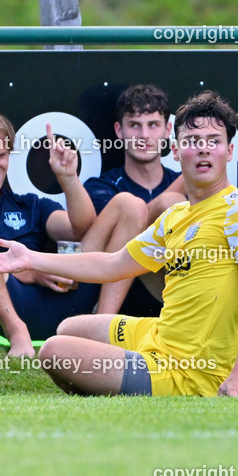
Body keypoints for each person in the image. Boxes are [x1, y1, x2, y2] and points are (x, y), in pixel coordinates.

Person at [0, 91, 238, 397]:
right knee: (70, 327)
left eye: (213, 141)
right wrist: (30, 259)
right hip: (160, 334)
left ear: (229, 151)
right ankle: (119, 376)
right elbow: (113, 263)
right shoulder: (176, 215)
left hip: (190, 368)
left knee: (55, 350)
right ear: (175, 151)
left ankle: (135, 379)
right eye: (192, 141)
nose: (203, 150)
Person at [0, 108, 139, 357]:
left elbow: (82, 232)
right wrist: (30, 270)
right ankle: (17, 332)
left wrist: (68, 178)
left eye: (1, 155)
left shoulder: (29, 203)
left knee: (130, 205)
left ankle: (103, 326)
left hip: (57, 302)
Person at [84, 84, 185, 315]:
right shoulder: (101, 186)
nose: (144, 136)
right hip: (113, 298)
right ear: (119, 131)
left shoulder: (183, 185)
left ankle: (214, 321)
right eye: (135, 125)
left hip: (165, 299)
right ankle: (102, 322)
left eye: (153, 125)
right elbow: (99, 251)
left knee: (175, 204)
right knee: (158, 204)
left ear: (168, 129)